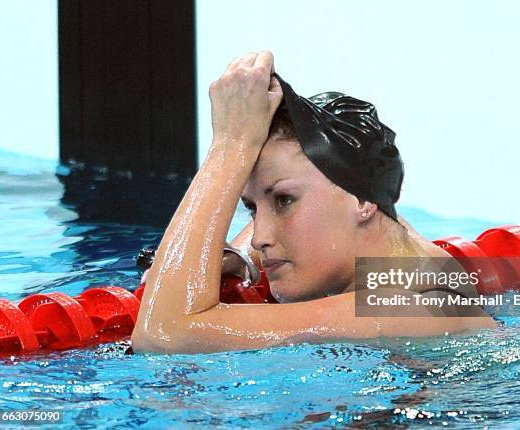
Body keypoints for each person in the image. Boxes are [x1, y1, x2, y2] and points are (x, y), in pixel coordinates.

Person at [131, 51, 496, 354]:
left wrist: (230, 145)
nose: (259, 237)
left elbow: (164, 335)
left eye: (284, 200)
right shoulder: (394, 241)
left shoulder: (413, 310)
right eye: (253, 208)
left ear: (363, 201)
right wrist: (240, 258)